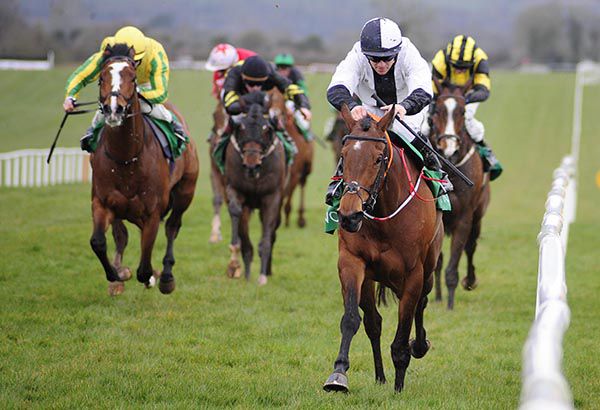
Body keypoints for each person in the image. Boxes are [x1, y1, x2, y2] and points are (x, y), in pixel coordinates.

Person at [326, 17, 453, 199]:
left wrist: (404, 106)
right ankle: (339, 182)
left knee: (405, 131)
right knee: (358, 139)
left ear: (397, 51)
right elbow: (336, 87)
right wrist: (352, 106)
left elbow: (424, 90)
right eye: (374, 59)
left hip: (405, 107)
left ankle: (436, 173)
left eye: (387, 58)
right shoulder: (357, 54)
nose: (381, 65)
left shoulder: (409, 54)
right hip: (371, 108)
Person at [63, 26, 186, 152]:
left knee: (149, 107)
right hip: (118, 83)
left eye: (135, 62)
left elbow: (161, 93)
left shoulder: (155, 54)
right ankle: (93, 130)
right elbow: (81, 75)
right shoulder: (108, 52)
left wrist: (136, 93)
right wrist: (70, 96)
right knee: (107, 105)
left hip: (144, 84)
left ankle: (172, 123)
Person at [422, 34, 502, 179]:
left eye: (464, 68)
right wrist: (433, 110)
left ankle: (486, 151)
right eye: (456, 66)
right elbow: (432, 89)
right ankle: (421, 152)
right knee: (426, 125)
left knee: (468, 120)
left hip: (468, 95)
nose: (459, 70)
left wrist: (464, 100)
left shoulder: (480, 59)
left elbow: (484, 91)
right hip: (443, 94)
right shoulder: (440, 59)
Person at [212, 55, 312, 170]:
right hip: (239, 102)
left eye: (260, 84)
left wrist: (303, 106)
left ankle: (289, 152)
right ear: (243, 78)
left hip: (261, 103)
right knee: (233, 121)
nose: (255, 88)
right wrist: (254, 100)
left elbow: (291, 89)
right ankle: (219, 156)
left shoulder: (271, 73)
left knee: (275, 120)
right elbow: (230, 105)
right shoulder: (234, 74)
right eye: (250, 84)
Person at [274, 53, 315, 140]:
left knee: (302, 121)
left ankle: (306, 134)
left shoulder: (296, 75)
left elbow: (303, 92)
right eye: (280, 67)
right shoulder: (273, 75)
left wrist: (299, 105)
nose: (282, 70)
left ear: (290, 68)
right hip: (277, 102)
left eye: (285, 68)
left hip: (292, 102)